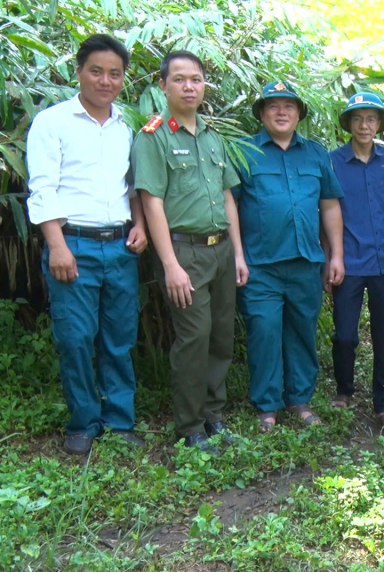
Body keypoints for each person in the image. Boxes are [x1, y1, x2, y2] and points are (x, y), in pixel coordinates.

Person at [26, 34, 148, 455]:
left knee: (119, 336)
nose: (105, 80)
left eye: (115, 73)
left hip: (119, 247)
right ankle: (83, 422)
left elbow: (133, 185)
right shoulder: (52, 122)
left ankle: (119, 420)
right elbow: (41, 188)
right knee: (76, 337)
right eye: (96, 71)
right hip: (72, 244)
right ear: (78, 72)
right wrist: (57, 246)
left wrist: (141, 225)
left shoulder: (125, 127)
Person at [130, 51, 247, 453]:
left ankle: (214, 416)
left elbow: (228, 197)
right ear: (163, 86)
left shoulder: (213, 136)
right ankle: (191, 426)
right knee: (193, 338)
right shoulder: (153, 136)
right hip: (185, 253)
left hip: (221, 250)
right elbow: (152, 202)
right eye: (179, 79)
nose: (189, 86)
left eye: (196, 79)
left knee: (220, 337)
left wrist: (239, 255)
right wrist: (170, 266)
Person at [233, 81, 344, 432]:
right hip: (259, 265)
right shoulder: (244, 151)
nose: (281, 112)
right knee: (264, 332)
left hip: (305, 262)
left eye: (289, 106)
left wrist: (336, 255)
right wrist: (237, 254)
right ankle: (267, 405)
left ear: (298, 114)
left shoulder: (315, 154)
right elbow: (230, 207)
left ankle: (300, 399)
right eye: (273, 106)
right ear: (262, 114)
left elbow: (329, 205)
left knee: (301, 332)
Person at [328, 92, 384, 435]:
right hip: (348, 261)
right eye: (358, 118)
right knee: (345, 335)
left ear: (379, 125)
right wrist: (330, 258)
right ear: (348, 124)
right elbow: (324, 211)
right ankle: (344, 390)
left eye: (371, 119)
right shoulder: (332, 161)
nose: (364, 125)